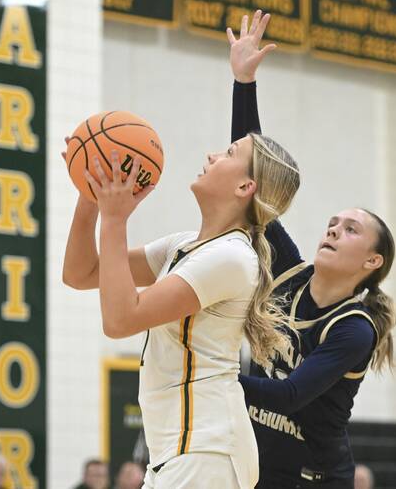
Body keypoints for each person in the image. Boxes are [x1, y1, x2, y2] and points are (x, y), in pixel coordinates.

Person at [62, 31, 301, 487]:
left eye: (229, 153)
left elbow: (119, 319)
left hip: (207, 447)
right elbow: (81, 273)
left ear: (245, 187)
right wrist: (90, 196)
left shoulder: (233, 259)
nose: (213, 154)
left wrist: (115, 218)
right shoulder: (184, 245)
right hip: (182, 450)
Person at [227, 12, 396, 488]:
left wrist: (209, 373)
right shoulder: (289, 273)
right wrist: (244, 82)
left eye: (350, 229)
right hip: (257, 467)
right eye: (332, 224)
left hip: (314, 478)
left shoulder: (354, 329)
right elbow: (253, 178)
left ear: (372, 261)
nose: (334, 229)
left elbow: (289, 395)